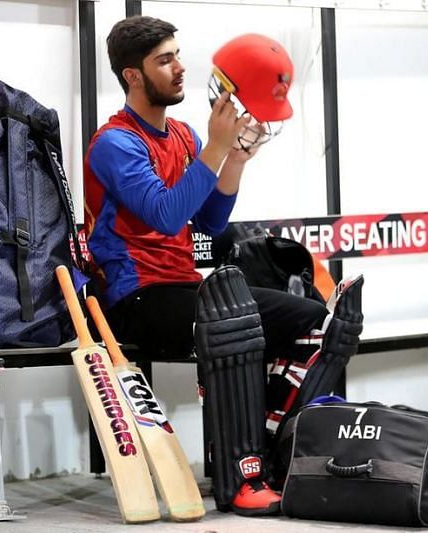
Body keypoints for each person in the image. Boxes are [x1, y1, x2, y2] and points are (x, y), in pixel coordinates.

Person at [83, 16, 364, 517]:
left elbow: (208, 223)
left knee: (317, 322)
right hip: (134, 297)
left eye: (177, 55)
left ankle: (283, 457)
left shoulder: (187, 136)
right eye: (163, 60)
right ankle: (239, 479)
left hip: (184, 290)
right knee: (231, 322)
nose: (179, 67)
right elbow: (167, 215)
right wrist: (214, 147)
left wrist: (232, 161)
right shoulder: (114, 144)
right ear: (132, 75)